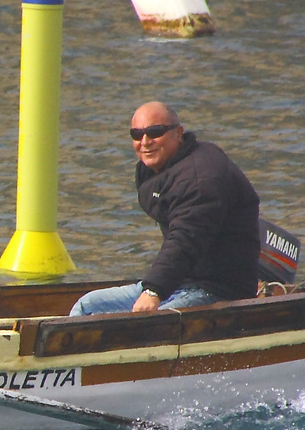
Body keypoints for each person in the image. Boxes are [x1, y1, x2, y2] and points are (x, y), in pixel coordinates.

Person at [69, 101, 260, 316]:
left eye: (155, 132)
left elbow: (185, 239)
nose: (145, 142)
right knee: (87, 306)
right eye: (137, 134)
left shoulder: (200, 178)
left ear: (178, 133)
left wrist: (154, 291)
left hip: (218, 290)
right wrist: (158, 286)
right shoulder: (156, 168)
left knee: (154, 323)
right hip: (179, 281)